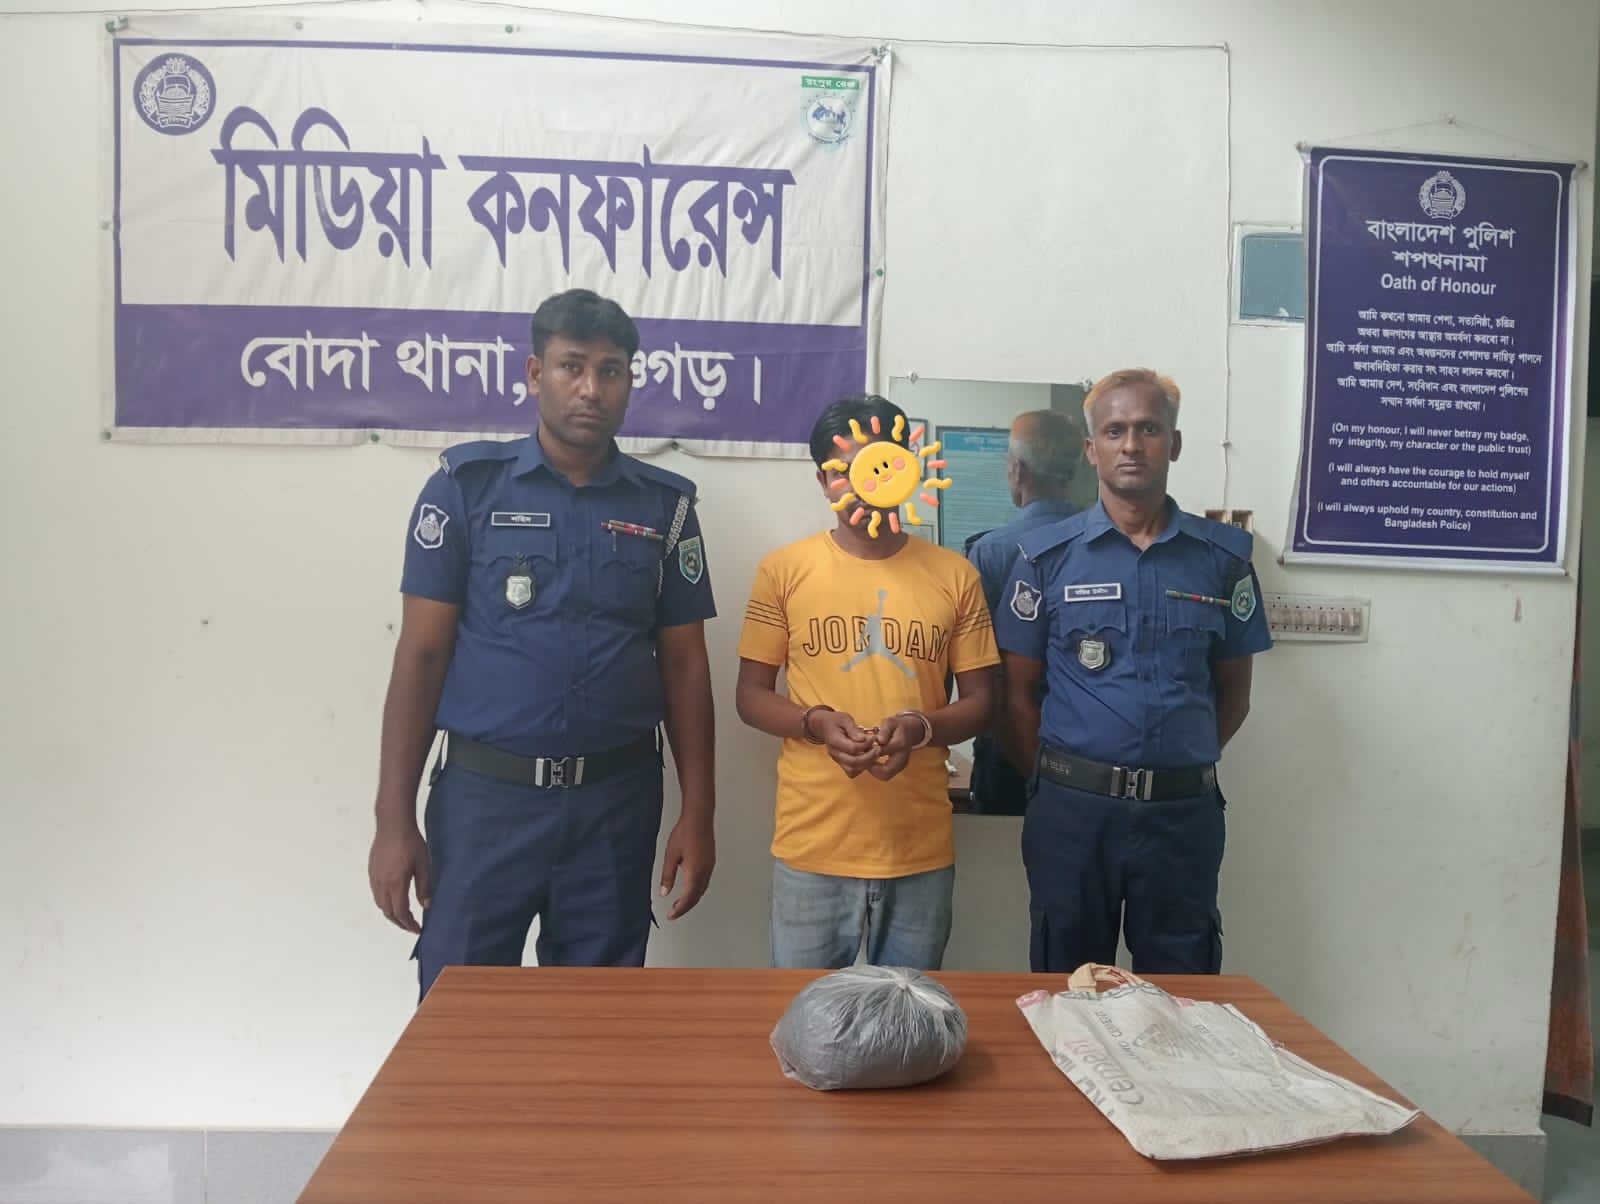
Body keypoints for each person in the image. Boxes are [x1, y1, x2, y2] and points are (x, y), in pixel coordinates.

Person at [367, 288, 718, 999]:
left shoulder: (665, 507)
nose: (591, 388)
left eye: (611, 371)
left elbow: (685, 665)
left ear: (629, 381)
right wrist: (392, 820)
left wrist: (700, 813)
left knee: (597, 1019)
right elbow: (421, 657)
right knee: (463, 1013)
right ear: (535, 374)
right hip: (485, 802)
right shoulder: (465, 490)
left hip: (615, 805)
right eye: (572, 366)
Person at [994, 368, 1271, 975]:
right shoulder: (1046, 559)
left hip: (1182, 816)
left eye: (1149, 428)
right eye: (1114, 430)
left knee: (1182, 990)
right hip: (1073, 814)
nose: (1131, 445)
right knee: (1069, 984)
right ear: (1091, 450)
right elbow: (1015, 696)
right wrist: (1057, 779)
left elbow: (1235, 694)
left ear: (1174, 443)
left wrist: (1174, 763)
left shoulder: (1222, 561)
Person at [735, 394, 998, 971]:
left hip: (919, 848)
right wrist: (816, 723)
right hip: (812, 846)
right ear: (823, 481)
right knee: (803, 1012)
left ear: (907, 466)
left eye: (878, 462)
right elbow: (750, 697)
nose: (861, 482)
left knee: (907, 1016)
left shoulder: (956, 576)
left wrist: (919, 727)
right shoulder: (783, 572)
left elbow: (983, 703)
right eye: (842, 468)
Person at [962, 410, 1080, 815]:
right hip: (1086, 746)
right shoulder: (1104, 543)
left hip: (1006, 751)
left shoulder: (990, 551)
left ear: (1017, 470)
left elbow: (980, 667)